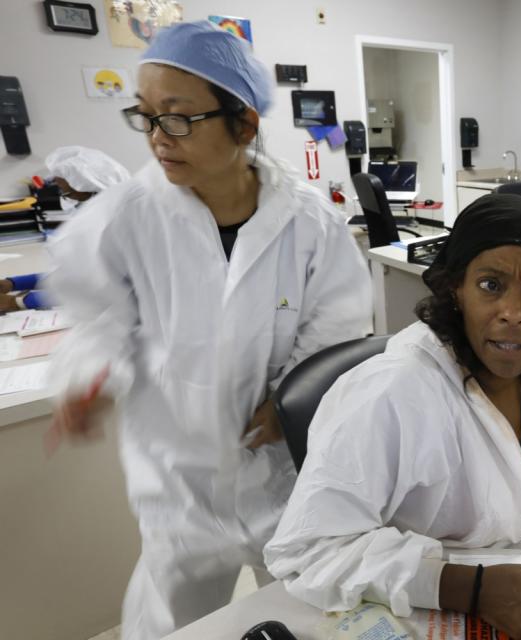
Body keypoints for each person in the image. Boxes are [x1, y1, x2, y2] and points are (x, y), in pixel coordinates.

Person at [46, 21, 372, 640]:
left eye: (177, 118)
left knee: (306, 613)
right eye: (145, 117)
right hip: (178, 479)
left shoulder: (308, 224)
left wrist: (287, 401)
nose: (157, 139)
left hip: (279, 475)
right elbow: (96, 319)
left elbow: (336, 329)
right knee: (172, 625)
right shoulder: (126, 218)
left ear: (243, 124)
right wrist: (87, 378)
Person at [265, 193, 521, 640]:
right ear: (456, 289)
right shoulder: (394, 393)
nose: (513, 314)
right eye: (491, 285)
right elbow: (307, 550)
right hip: (419, 603)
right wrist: (469, 589)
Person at [0, 147, 131, 314]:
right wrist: (14, 283)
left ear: (89, 186)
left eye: (67, 193)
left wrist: (18, 302)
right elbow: (74, 274)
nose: (65, 199)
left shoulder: (115, 226)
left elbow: (98, 290)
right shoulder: (101, 215)